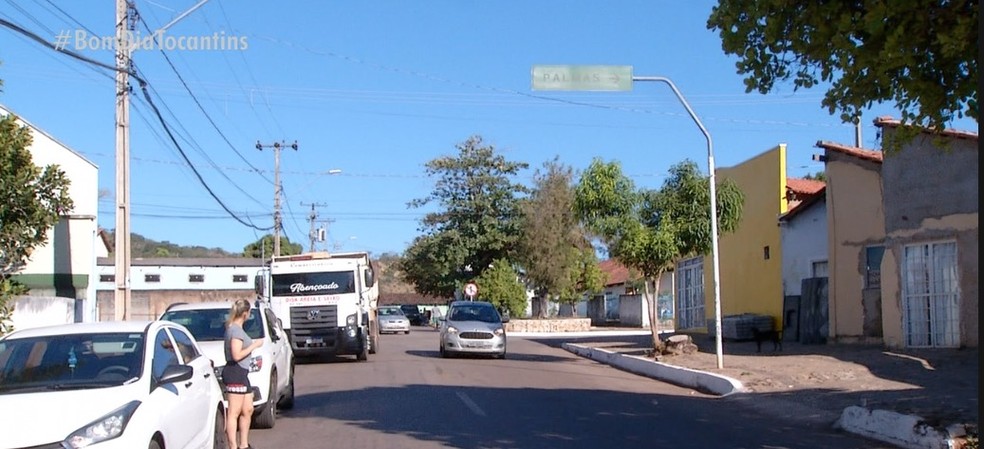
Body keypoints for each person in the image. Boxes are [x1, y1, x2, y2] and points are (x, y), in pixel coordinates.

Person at [222, 299, 264, 449]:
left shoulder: (236, 329)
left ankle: (244, 444)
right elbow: (236, 355)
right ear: (245, 314)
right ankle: (233, 446)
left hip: (242, 373)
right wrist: (254, 345)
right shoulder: (235, 331)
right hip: (235, 372)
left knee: (248, 409)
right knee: (234, 412)